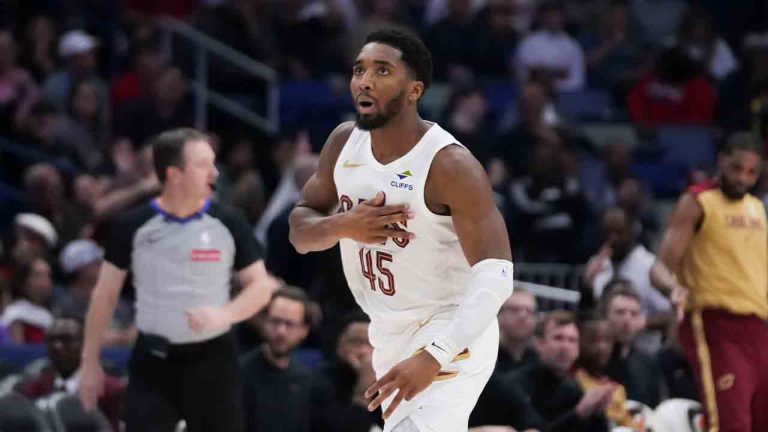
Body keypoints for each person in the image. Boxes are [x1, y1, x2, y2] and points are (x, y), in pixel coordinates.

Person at [289, 28, 514, 432]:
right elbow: (300, 231)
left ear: (414, 90)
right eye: (359, 70)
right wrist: (344, 225)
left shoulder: (448, 164)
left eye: (382, 70)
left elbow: (497, 277)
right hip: (387, 331)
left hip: (449, 332)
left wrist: (435, 355)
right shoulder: (343, 143)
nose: (365, 80)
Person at [79, 128, 277, 431]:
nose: (214, 172)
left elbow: (262, 286)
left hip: (215, 361)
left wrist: (224, 314)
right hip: (153, 363)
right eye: (202, 165)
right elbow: (105, 294)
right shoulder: (131, 225)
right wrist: (90, 361)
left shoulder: (230, 222)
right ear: (174, 174)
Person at [651, 131, 768, 431]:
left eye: (751, 172)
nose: (743, 178)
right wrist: (673, 288)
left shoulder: (756, 207)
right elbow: (659, 268)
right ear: (721, 161)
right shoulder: (698, 201)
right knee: (732, 423)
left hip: (759, 327)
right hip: (715, 324)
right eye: (736, 169)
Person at [17, 316, 125, 431]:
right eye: (51, 340)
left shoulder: (111, 390)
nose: (57, 346)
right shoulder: (30, 391)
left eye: (67, 339)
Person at [240, 286, 315, 432]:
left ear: (304, 331)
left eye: (290, 324)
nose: (281, 331)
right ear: (264, 322)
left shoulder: (307, 379)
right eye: (275, 321)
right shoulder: (239, 374)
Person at [310, 311, 382, 432]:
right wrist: (362, 392)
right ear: (339, 345)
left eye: (371, 343)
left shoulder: (391, 381)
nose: (363, 351)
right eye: (355, 342)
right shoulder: (318, 382)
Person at [602, 282, 663, 408]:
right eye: (620, 312)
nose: (627, 320)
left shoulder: (648, 362)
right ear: (605, 315)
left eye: (634, 314)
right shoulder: (593, 359)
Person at [496, 289, 538, 374]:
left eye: (528, 311)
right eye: (514, 310)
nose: (523, 316)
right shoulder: (485, 357)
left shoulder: (539, 361)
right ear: (500, 315)